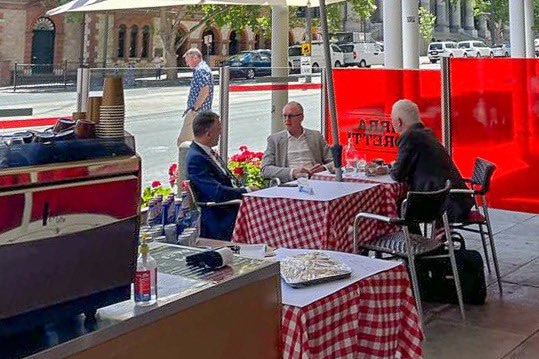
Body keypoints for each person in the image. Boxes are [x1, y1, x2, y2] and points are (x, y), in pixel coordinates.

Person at [390, 99, 474, 222]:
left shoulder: (410, 137)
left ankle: (413, 240)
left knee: (397, 205)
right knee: (405, 204)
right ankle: (416, 240)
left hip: (444, 205)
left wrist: (391, 167)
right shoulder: (426, 133)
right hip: (457, 200)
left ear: (398, 121)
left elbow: (398, 175)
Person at [186, 111, 257, 241]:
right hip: (222, 214)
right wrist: (246, 191)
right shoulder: (196, 159)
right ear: (208, 133)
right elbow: (216, 193)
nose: (220, 134)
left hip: (231, 207)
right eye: (218, 130)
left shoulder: (205, 152)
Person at [261, 101, 334, 183]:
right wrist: (292, 172)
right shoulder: (274, 140)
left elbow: (334, 162)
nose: (287, 120)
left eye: (291, 116)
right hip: (289, 184)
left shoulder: (315, 136)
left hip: (316, 180)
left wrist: (324, 168)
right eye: (284, 116)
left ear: (301, 117)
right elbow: (265, 169)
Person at [177, 48, 214, 146]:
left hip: (197, 113)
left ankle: (186, 161)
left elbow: (205, 89)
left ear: (195, 58)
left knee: (184, 142)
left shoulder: (200, 70)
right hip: (202, 112)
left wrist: (195, 108)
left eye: (187, 60)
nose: (186, 63)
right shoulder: (203, 69)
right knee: (199, 143)